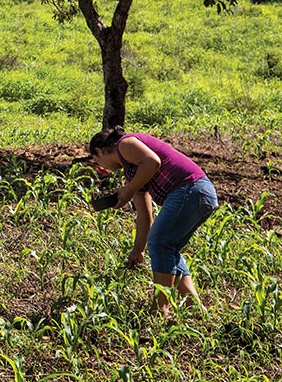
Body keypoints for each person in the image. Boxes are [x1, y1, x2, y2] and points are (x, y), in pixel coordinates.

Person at [89, 126, 219, 318]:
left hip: (190, 189)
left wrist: (129, 189)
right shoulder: (134, 173)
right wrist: (138, 250)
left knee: (160, 242)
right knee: (167, 247)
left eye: (97, 160)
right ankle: (195, 308)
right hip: (199, 194)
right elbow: (144, 216)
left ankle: (160, 310)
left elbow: (153, 161)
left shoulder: (125, 144)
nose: (102, 167)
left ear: (99, 151)